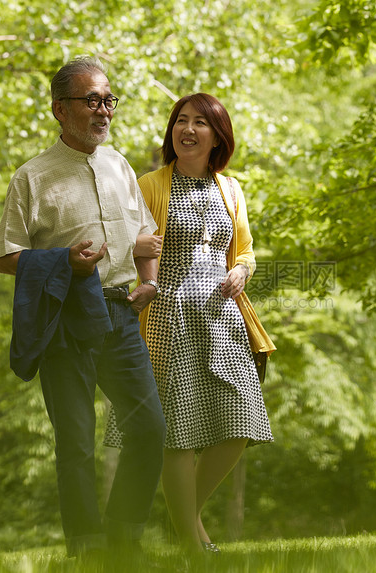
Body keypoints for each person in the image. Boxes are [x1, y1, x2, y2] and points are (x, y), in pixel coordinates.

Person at [0, 56, 166, 559]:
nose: (103, 110)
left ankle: (123, 536)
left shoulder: (120, 165)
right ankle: (86, 549)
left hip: (120, 315)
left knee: (149, 428)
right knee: (76, 442)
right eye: (91, 100)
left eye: (108, 99)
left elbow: (144, 235)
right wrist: (64, 263)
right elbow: (5, 257)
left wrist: (149, 282)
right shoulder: (32, 177)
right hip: (65, 318)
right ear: (59, 110)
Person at [104, 93, 275, 555]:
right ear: (172, 131)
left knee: (242, 420)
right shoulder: (150, 184)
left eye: (201, 122)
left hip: (222, 320)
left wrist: (242, 270)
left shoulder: (230, 189)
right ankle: (192, 543)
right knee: (177, 430)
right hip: (167, 318)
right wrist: (143, 261)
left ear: (218, 135)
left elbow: (244, 250)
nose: (189, 129)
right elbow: (126, 241)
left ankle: (186, 519)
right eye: (182, 120)